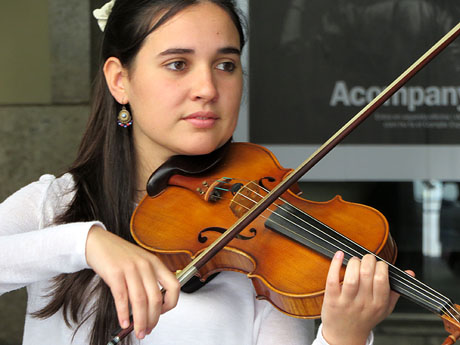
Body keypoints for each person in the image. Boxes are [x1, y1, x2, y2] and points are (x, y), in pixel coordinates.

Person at [0, 1, 406, 345]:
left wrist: (342, 337)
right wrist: (85, 241)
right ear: (120, 80)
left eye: (225, 65)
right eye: (178, 64)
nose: (208, 88)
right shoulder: (55, 205)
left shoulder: (264, 247)